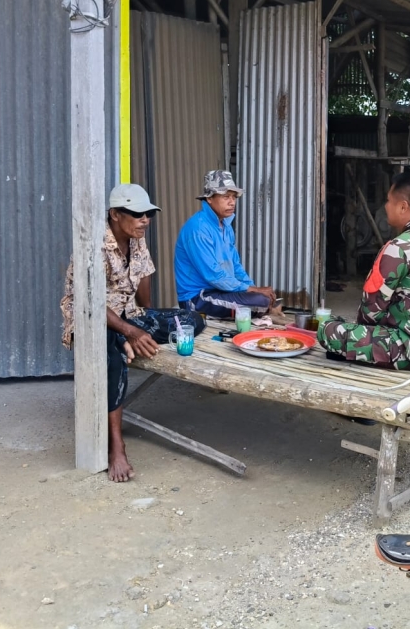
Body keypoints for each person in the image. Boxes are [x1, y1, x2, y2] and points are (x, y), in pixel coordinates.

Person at [60, 183, 203, 483]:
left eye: (148, 214)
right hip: (91, 321)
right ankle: (117, 447)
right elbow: (90, 302)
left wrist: (144, 323)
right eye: (137, 214)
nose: (145, 220)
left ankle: (124, 338)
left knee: (191, 319)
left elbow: (144, 281)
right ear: (115, 214)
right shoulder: (93, 245)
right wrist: (130, 332)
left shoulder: (136, 238)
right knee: (113, 358)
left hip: (127, 316)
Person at [319, 172, 410, 372]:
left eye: (388, 201)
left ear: (403, 207)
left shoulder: (398, 247)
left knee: (329, 330)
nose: (386, 206)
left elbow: (369, 313)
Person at [174, 170, 278, 319]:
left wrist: (252, 287)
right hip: (197, 298)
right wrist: (251, 290)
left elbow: (235, 266)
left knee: (262, 298)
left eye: (234, 197)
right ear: (209, 198)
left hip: (221, 291)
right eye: (226, 197)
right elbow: (213, 275)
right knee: (261, 302)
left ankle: (263, 306)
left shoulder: (225, 227)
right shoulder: (198, 229)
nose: (232, 202)